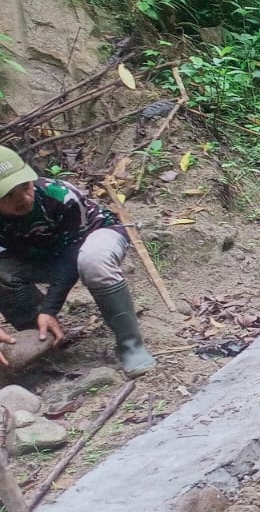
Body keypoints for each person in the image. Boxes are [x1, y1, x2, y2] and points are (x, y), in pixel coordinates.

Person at [0, 147, 155, 376]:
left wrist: (50, 307)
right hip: (38, 255)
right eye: (7, 195)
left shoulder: (59, 195)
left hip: (92, 237)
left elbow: (71, 255)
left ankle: (131, 345)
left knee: (93, 260)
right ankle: (42, 338)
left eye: (25, 186)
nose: (23, 198)